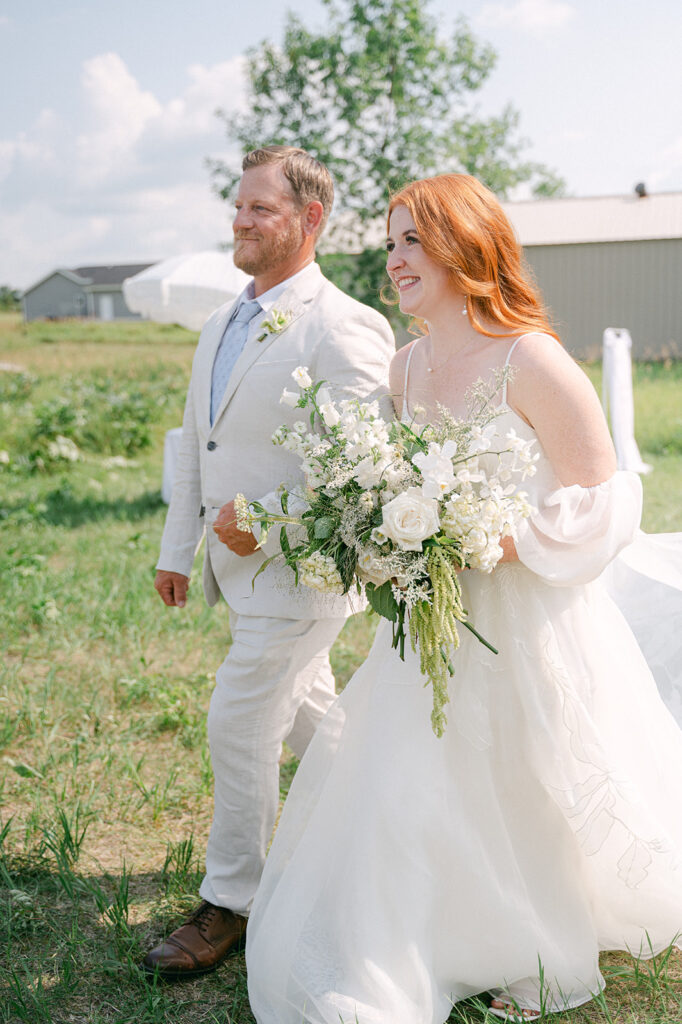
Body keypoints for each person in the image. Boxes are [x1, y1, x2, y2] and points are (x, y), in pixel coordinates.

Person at [245, 174, 682, 1022]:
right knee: (413, 780)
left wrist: (497, 536)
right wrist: (383, 534)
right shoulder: (405, 368)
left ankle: (527, 936)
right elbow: (383, 483)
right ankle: (423, 930)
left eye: (413, 240)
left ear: (464, 245)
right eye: (390, 242)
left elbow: (609, 496)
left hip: (526, 619)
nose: (396, 260)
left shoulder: (531, 356)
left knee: (520, 776)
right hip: (429, 617)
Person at [143, 146, 394, 979]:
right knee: (317, 724)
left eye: (260, 209)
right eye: (239, 207)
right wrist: (178, 548)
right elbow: (195, 445)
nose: (240, 222)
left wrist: (273, 520)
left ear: (309, 219)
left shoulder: (346, 324)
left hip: (302, 575)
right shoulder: (219, 323)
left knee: (239, 718)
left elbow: (364, 471)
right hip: (234, 571)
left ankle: (232, 901)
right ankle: (391, 829)